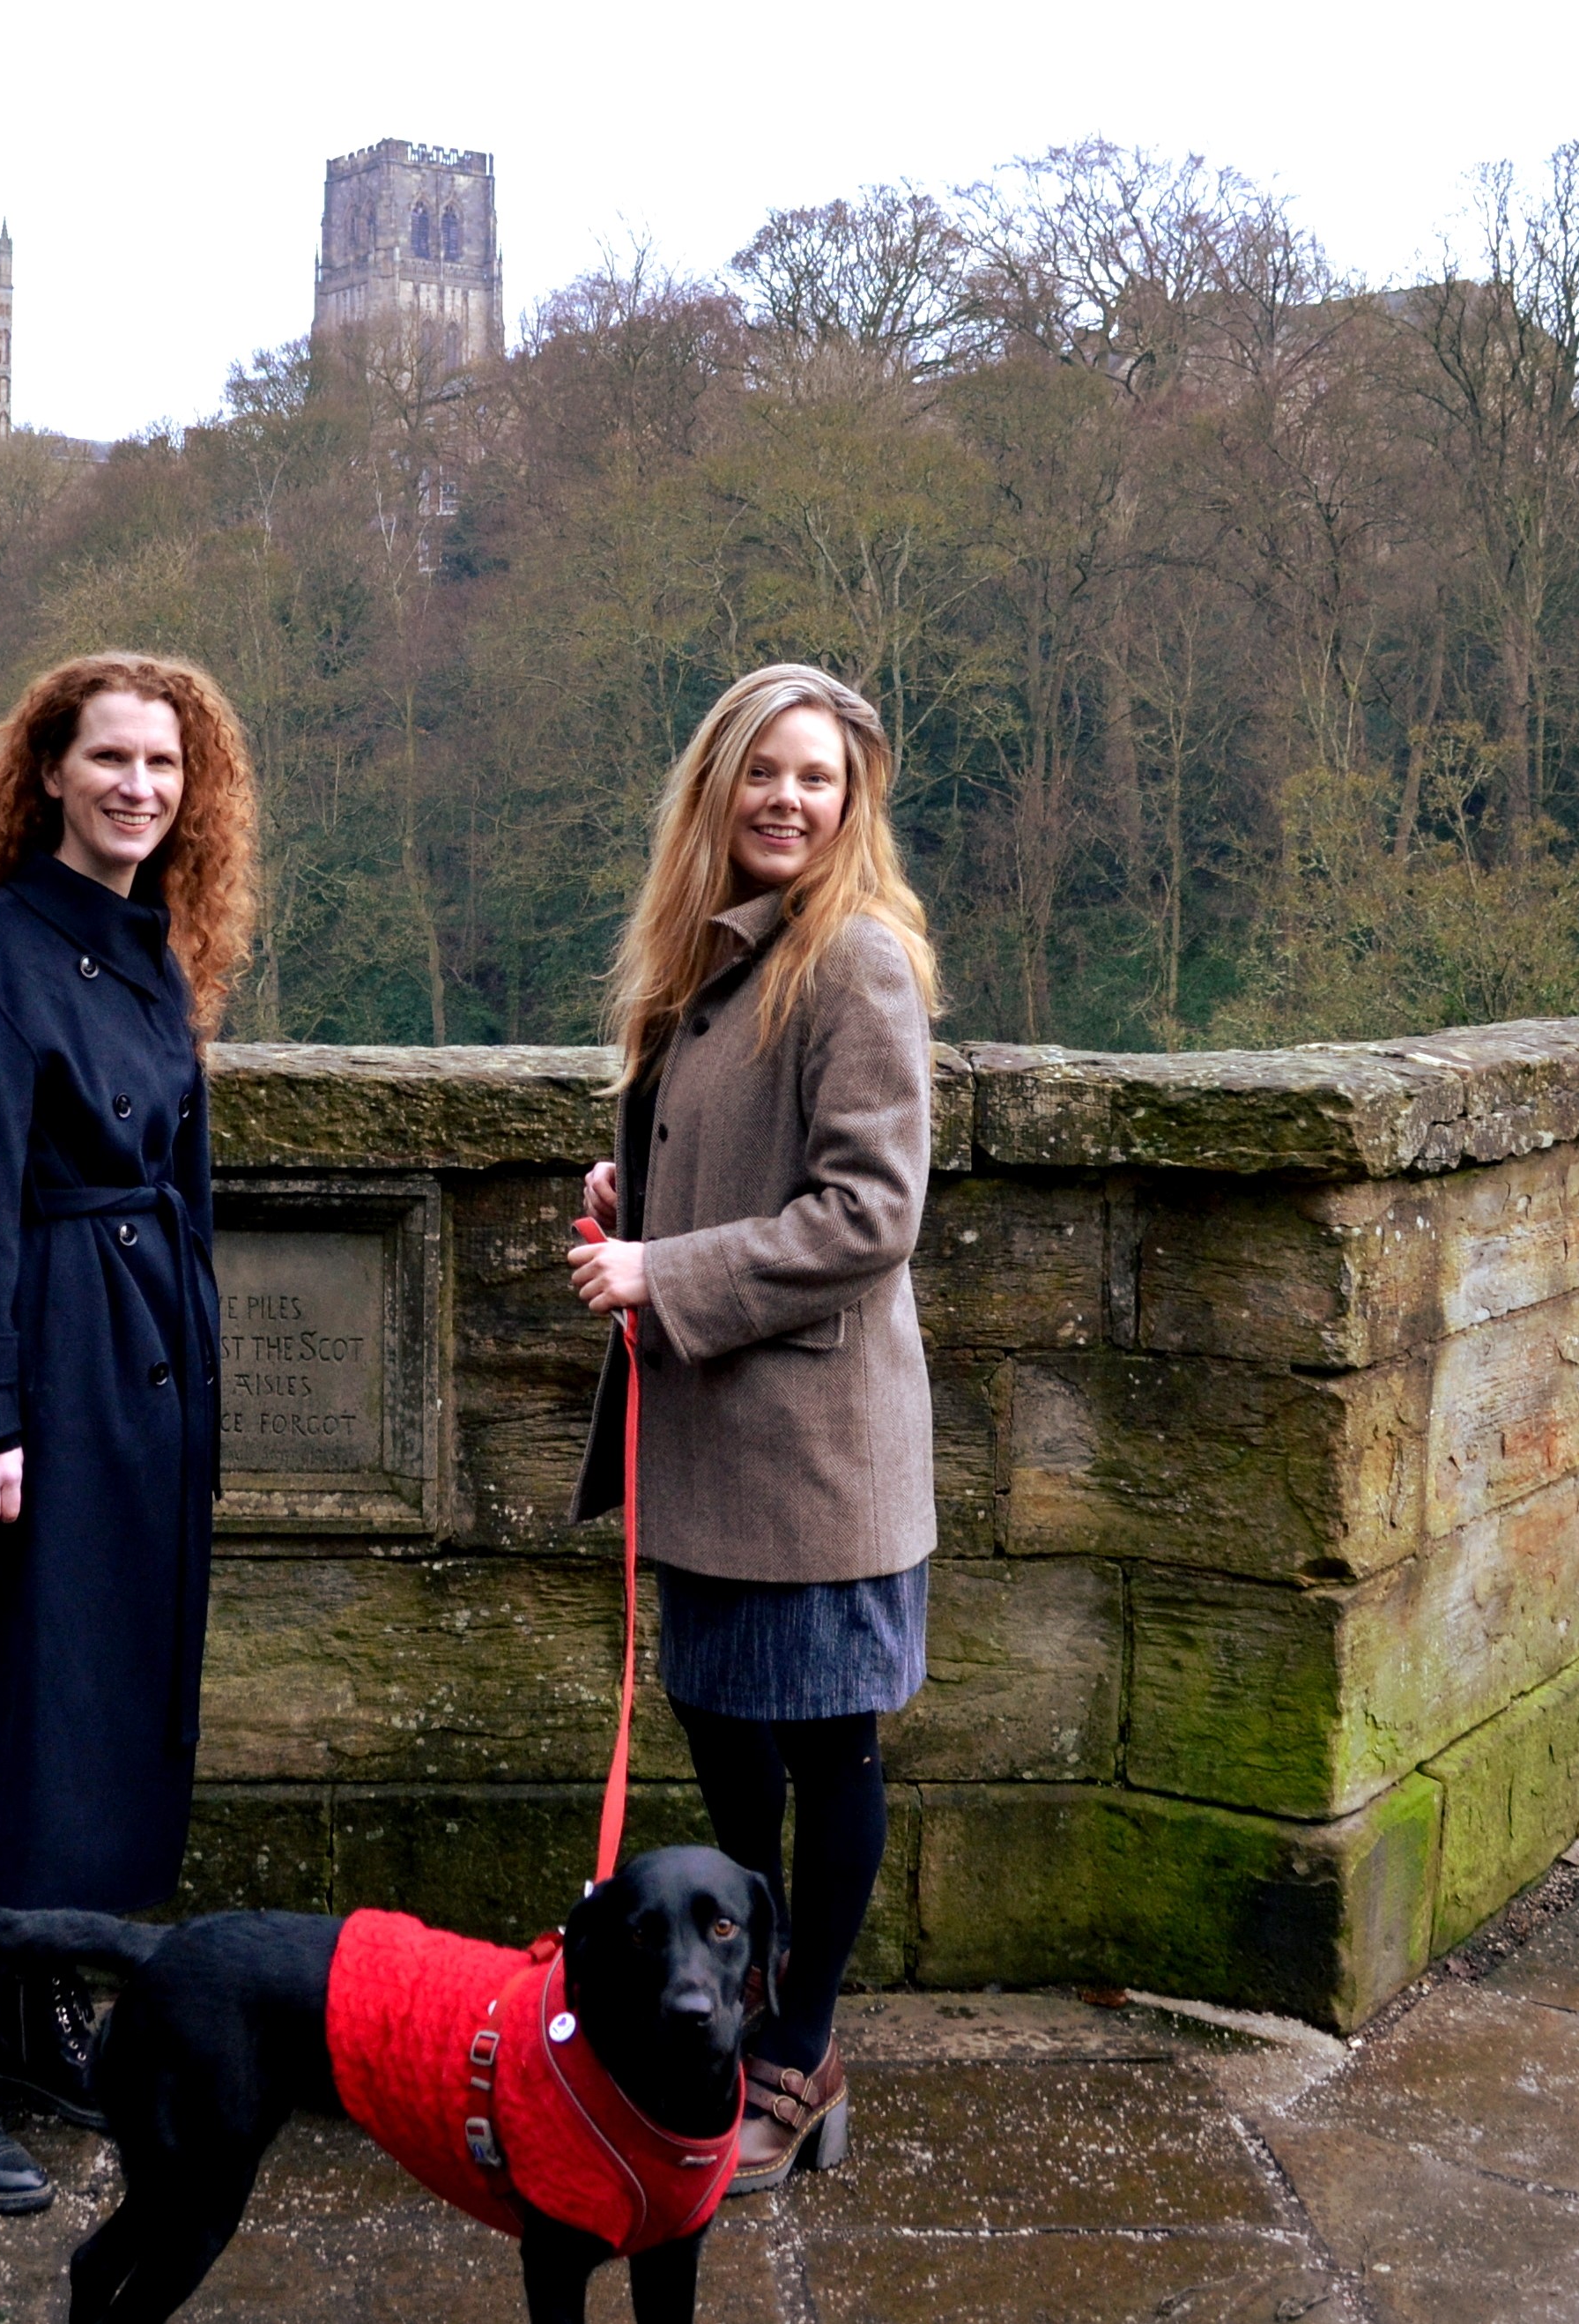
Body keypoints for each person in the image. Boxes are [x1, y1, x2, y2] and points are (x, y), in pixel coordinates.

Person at [0, 651, 258, 2212]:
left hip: (145, 1376)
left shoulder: (148, 944)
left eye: (166, 767)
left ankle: (38, 2011)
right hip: (48, 1381)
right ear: (46, 772)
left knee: (107, 1712)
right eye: (111, 760)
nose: (141, 790)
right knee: (24, 1723)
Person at [563, 662, 942, 2194]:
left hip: (816, 1447)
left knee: (826, 1747)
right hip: (711, 1434)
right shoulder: (709, 949)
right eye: (765, 772)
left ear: (854, 806)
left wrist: (666, 1269)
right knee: (729, 1743)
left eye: (821, 779)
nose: (789, 800)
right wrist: (630, 1204)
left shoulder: (852, 960)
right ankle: (738, 2010)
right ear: (717, 783)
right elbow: (721, 1147)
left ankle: (801, 2046)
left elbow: (870, 1212)